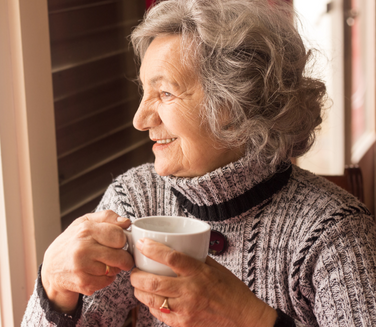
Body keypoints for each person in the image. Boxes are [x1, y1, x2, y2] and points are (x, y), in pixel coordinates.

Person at [22, 0, 376, 326]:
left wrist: (249, 317)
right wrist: (55, 290)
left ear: (237, 105)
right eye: (144, 92)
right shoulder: (135, 199)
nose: (140, 119)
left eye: (165, 93)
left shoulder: (332, 231)